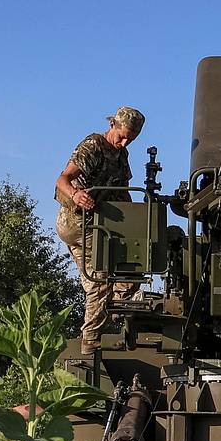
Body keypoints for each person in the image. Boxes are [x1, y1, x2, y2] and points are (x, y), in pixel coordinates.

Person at [56, 106, 146, 357]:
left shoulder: (121, 155)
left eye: (131, 139)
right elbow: (62, 179)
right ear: (113, 125)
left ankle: (113, 308)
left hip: (96, 224)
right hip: (78, 222)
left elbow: (122, 194)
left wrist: (141, 218)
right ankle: (91, 339)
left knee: (131, 261)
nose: (125, 142)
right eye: (122, 135)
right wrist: (76, 194)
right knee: (101, 275)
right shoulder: (93, 145)